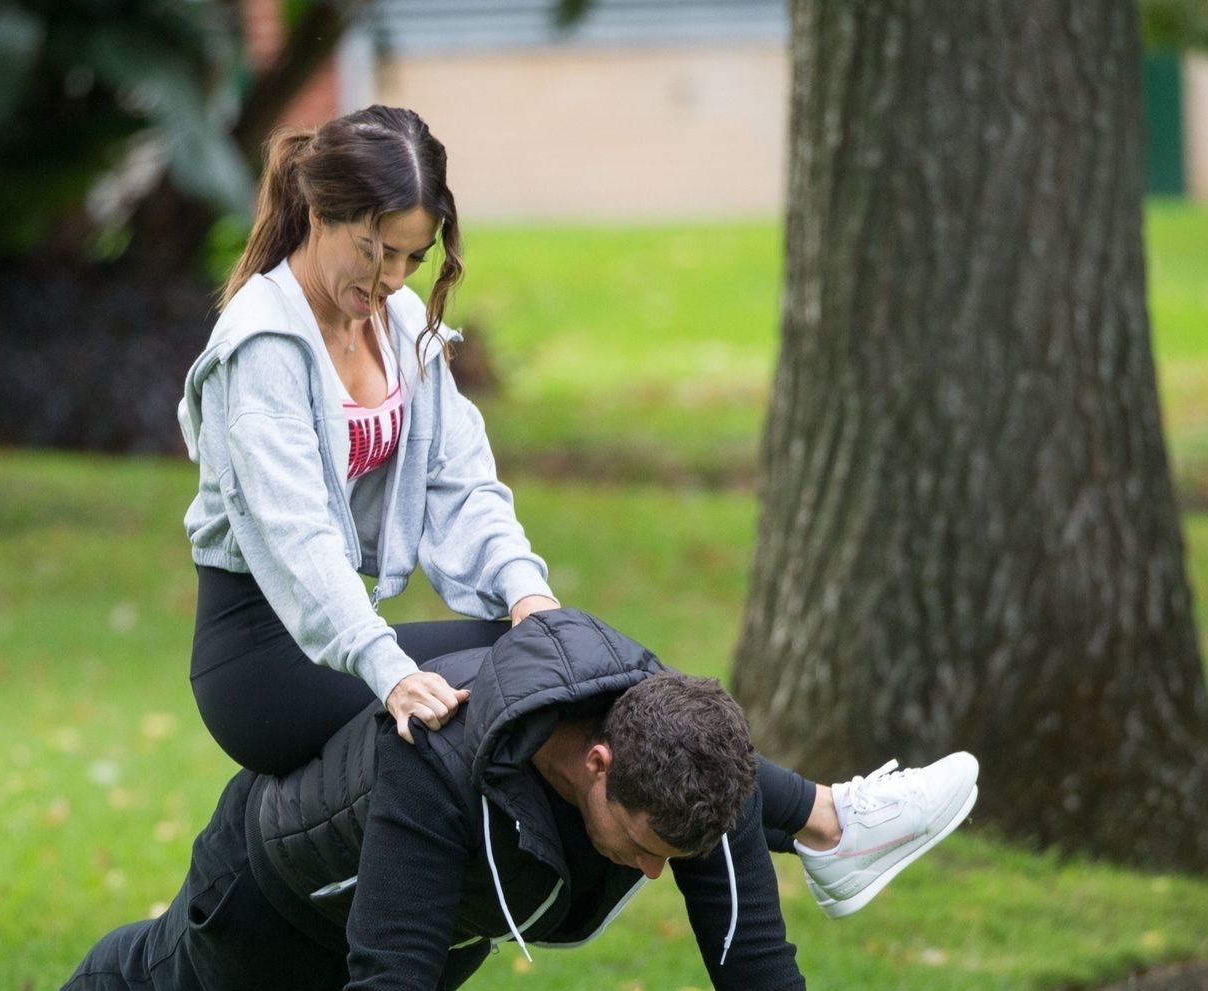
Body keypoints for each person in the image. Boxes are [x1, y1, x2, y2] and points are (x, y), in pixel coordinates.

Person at [177, 104, 961, 918]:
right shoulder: (263, 344)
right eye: (375, 250)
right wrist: (389, 669)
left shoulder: (397, 324)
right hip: (264, 666)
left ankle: (823, 827)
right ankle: (827, 823)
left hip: (337, 642)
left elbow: (461, 484)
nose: (392, 278)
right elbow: (297, 541)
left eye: (412, 256)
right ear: (319, 213)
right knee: (562, 681)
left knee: (581, 662)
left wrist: (528, 598)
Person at [0, 608, 981, 991]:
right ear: (599, 762)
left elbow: (751, 961)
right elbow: (390, 965)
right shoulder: (446, 749)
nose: (651, 873)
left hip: (441, 908)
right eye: (640, 845)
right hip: (280, 874)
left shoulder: (687, 765)